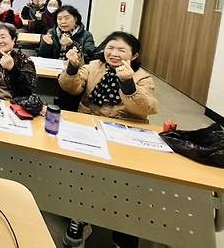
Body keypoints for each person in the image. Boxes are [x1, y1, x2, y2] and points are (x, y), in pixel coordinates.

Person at [58, 31, 157, 248]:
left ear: (134, 55)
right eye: (110, 48)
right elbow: (71, 87)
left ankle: (124, 230)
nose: (113, 53)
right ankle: (80, 217)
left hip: (123, 134)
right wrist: (73, 68)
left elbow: (146, 107)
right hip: (88, 128)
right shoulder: (94, 66)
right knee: (81, 174)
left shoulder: (142, 77)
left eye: (121, 50)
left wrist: (128, 83)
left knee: (127, 184)